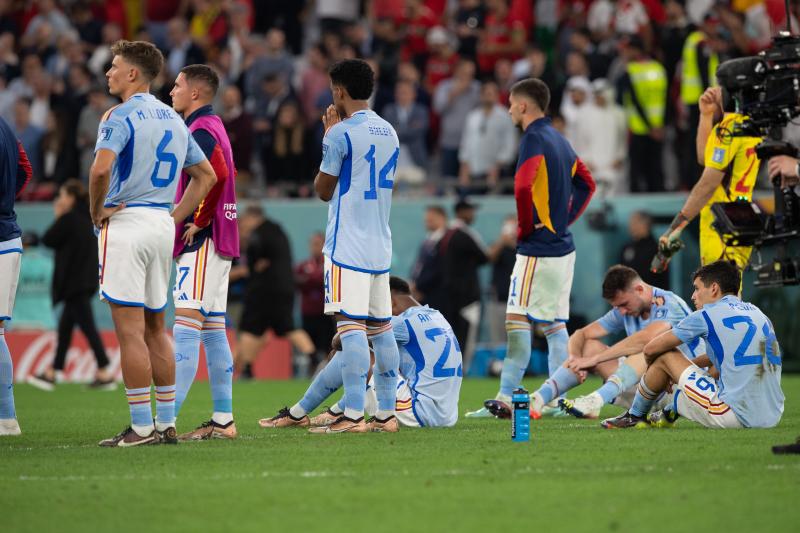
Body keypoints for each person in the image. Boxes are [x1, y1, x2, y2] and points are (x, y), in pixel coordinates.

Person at [89, 40, 216, 448]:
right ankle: (166, 423)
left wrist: (96, 213)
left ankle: (141, 427)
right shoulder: (174, 118)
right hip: (160, 224)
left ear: (132, 74)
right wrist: (174, 218)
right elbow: (206, 175)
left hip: (125, 223)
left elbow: (99, 170)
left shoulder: (118, 115)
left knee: (129, 332)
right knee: (157, 327)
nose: (108, 72)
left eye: (114, 66)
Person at [467, 78, 596, 418]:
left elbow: (523, 186)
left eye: (510, 103)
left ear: (523, 106)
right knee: (554, 325)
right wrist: (564, 219)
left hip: (537, 250)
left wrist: (525, 227)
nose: (508, 109)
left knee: (516, 319)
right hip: (562, 249)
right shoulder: (560, 140)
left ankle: (506, 397)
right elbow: (587, 183)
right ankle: (552, 400)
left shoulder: (534, 138)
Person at [312, 58, 402, 434]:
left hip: (347, 245)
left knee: (350, 328)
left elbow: (323, 190)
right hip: (380, 245)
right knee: (382, 330)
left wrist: (327, 136)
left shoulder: (339, 133)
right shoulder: (390, 131)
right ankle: (386, 414)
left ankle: (351, 416)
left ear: (339, 91)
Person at [258, 277, 462, 429]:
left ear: (390, 303)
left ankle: (298, 413)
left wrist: (348, 334)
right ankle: (334, 411)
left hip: (418, 412)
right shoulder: (437, 316)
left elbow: (340, 340)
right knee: (376, 354)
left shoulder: (401, 322)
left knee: (353, 350)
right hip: (446, 416)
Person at [603, 261, 784, 429]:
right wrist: (675, 372)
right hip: (773, 415)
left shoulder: (706, 315)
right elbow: (726, 358)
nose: (693, 296)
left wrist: (657, 369)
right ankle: (670, 410)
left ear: (714, 288)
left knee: (664, 354)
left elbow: (651, 348)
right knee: (706, 376)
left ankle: (635, 416)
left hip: (734, 415)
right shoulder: (758, 313)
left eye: (697, 288)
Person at [523, 265, 700, 420]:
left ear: (639, 289)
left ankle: (595, 400)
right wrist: (576, 360)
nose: (621, 312)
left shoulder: (669, 304)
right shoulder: (625, 309)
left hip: (681, 389)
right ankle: (539, 398)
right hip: (648, 390)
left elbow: (645, 338)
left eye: (623, 304)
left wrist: (595, 360)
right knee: (588, 346)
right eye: (617, 307)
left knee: (647, 349)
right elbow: (580, 334)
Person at [168, 64, 240, 441]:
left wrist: (200, 219)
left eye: (177, 85)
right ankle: (223, 419)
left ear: (195, 93)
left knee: (185, 326)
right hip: (221, 240)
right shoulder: (215, 126)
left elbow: (219, 173)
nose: (171, 91)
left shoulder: (199, 128)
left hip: (204, 239)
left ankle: (164, 420)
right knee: (213, 330)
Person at [654, 82, 761, 274]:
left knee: (718, 297)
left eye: (720, 85)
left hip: (721, 222)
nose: (715, 90)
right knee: (728, 296)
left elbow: (708, 184)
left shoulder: (729, 129)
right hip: (737, 218)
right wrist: (706, 115)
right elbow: (705, 158)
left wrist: (676, 227)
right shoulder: (748, 126)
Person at [28, 180, 113, 391]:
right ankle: (52, 372)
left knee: (88, 328)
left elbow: (48, 239)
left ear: (72, 198)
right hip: (86, 282)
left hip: (74, 284)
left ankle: (104, 371)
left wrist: (58, 215)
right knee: (66, 329)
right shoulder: (88, 217)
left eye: (63, 196)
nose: (59, 200)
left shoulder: (68, 218)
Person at [233, 206, 314, 378]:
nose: (243, 228)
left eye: (243, 223)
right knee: (286, 326)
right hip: (284, 289)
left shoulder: (259, 233)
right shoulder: (278, 231)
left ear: (251, 218)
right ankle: (314, 357)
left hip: (264, 291)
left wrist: (254, 265)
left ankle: (247, 369)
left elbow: (254, 263)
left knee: (251, 328)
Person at [0, 115, 32, 436]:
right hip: (8, 236)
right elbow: (26, 169)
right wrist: (6, 201)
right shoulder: (7, 127)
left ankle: (7, 418)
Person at [616, 36, 667, 193]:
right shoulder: (658, 68)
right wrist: (660, 126)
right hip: (658, 128)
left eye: (627, 49)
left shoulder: (629, 71)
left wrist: (649, 127)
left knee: (636, 172)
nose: (624, 53)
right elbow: (665, 99)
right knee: (655, 169)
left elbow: (631, 100)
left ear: (635, 50)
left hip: (638, 128)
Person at [440, 198, 488, 362]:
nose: (472, 214)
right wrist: (502, 241)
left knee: (453, 336)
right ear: (461, 212)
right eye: (470, 210)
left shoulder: (446, 233)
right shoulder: (465, 234)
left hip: (449, 296)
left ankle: (454, 369)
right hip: (467, 298)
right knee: (466, 339)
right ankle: (462, 370)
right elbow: (485, 257)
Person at [458, 80, 518, 193]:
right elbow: (466, 143)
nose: (488, 97)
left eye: (491, 94)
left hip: (498, 171)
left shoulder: (505, 116)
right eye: (485, 94)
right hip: (474, 170)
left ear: (497, 96)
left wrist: (498, 166)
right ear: (481, 96)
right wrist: (464, 166)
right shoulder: (472, 117)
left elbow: (510, 145)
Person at [295, 231, 335, 371]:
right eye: (312, 244)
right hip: (308, 313)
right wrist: (313, 280)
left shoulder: (330, 264)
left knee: (327, 346)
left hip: (325, 313)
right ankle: (312, 373)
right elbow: (297, 281)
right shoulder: (304, 265)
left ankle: (327, 371)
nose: (314, 247)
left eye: (318, 244)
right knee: (310, 346)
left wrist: (310, 280)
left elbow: (325, 281)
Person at [411, 205, 448, 311]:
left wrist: (419, 287)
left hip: (434, 296)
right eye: (426, 220)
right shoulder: (428, 239)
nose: (427, 222)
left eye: (431, 220)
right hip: (421, 294)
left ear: (442, 218)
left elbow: (438, 270)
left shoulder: (446, 240)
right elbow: (419, 265)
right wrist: (413, 283)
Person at [620, 211, 669, 289]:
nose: (631, 227)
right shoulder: (627, 248)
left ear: (645, 225)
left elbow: (660, 279)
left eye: (635, 223)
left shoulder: (657, 250)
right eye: (631, 223)